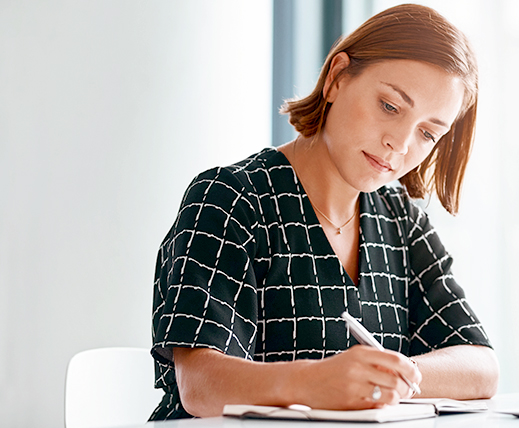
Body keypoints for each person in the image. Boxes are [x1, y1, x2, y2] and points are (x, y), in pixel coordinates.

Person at [149, 4, 498, 420]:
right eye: (390, 106)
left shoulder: (402, 221)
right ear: (336, 78)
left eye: (427, 132)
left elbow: (481, 369)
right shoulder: (231, 198)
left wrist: (387, 377)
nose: (400, 143)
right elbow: (201, 386)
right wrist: (316, 383)